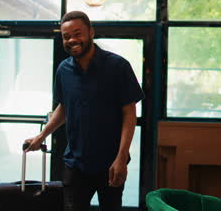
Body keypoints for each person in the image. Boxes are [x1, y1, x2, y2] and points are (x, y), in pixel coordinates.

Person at [25, 11, 144, 211]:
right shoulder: (63, 70)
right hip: (76, 163)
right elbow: (63, 108)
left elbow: (129, 114)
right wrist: (41, 136)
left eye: (77, 33)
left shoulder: (118, 66)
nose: (72, 39)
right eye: (66, 36)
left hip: (111, 163)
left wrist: (121, 158)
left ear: (91, 32)